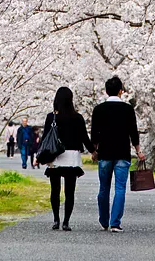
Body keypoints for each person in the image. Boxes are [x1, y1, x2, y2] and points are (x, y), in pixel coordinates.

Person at [36, 87, 97, 231]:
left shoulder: (51, 117)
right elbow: (84, 138)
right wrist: (93, 151)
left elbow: (45, 138)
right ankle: (66, 222)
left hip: (55, 156)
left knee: (55, 190)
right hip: (72, 157)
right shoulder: (77, 117)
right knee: (70, 192)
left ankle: (56, 219)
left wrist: (39, 155)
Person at [91, 76, 145, 233]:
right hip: (122, 152)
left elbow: (94, 133)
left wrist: (94, 151)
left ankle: (103, 221)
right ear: (121, 91)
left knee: (104, 187)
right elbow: (133, 133)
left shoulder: (99, 109)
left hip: (105, 153)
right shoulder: (128, 109)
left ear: (106, 91)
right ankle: (115, 223)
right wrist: (138, 151)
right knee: (120, 188)